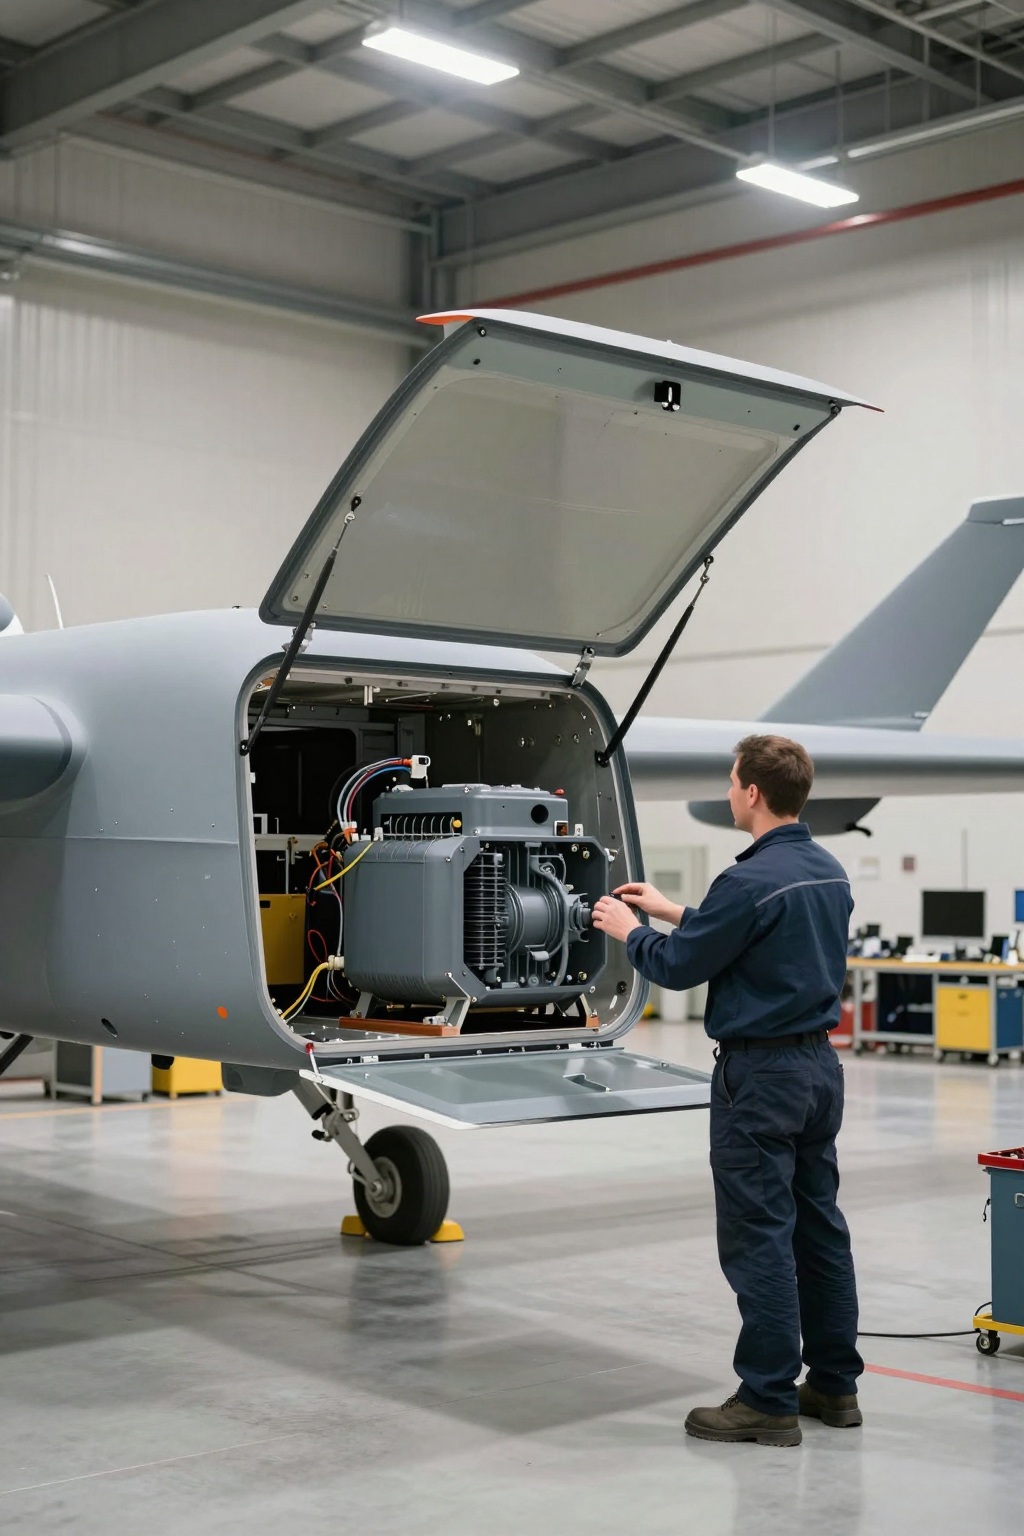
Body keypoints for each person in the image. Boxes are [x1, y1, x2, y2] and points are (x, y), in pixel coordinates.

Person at [593, 734, 863, 1448]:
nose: (727, 790)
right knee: (819, 1227)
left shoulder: (745, 881)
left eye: (731, 780)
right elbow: (755, 938)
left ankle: (766, 1399)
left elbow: (679, 969)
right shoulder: (826, 871)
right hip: (818, 1071)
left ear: (751, 792)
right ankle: (834, 1386)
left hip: (761, 1077)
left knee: (759, 1235)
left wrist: (629, 931)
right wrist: (674, 910)